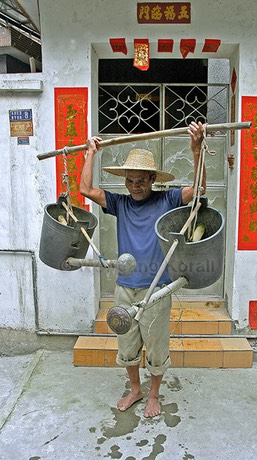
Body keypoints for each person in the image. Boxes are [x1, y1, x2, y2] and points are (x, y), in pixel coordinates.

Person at [80, 121, 206, 418]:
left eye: (141, 181)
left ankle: (153, 395)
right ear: (125, 180)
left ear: (152, 179)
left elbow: (198, 189)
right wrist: (90, 153)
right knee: (127, 346)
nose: (136, 186)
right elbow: (84, 189)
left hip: (157, 290)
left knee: (157, 346)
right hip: (125, 287)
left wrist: (196, 149)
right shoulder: (120, 203)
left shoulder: (168, 199)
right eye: (131, 181)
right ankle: (135, 390)